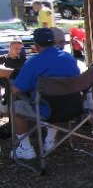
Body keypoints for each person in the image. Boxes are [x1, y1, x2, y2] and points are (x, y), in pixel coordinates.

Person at [11, 28, 80, 160]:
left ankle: (26, 149)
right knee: (59, 98)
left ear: (36, 46)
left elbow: (16, 89)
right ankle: (50, 140)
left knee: (16, 105)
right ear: (54, 42)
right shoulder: (69, 58)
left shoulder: (33, 62)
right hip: (74, 107)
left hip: (47, 110)